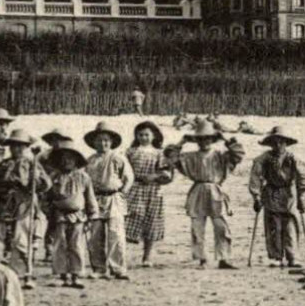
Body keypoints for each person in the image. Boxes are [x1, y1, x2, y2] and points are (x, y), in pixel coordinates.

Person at [166, 118, 247, 270]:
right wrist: (182, 142)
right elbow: (170, 157)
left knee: (220, 226)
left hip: (215, 190)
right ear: (197, 141)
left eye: (208, 138)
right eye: (201, 139)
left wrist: (226, 139)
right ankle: (201, 258)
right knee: (197, 226)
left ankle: (224, 258)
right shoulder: (190, 157)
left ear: (213, 139)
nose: (205, 141)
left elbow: (238, 154)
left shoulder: (221, 155)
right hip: (198, 190)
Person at [41, 133, 97, 289]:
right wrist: (48, 211)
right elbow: (45, 197)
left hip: (79, 216)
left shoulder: (84, 177)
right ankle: (62, 274)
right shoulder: (53, 177)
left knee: (76, 245)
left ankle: (76, 274)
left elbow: (90, 197)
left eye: (70, 158)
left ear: (76, 161)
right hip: (59, 216)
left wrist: (92, 215)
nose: (66, 161)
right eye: (63, 158)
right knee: (60, 244)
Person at [249, 126, 305, 269]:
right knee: (273, 225)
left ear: (286, 143)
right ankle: (276, 256)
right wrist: (256, 196)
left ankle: (293, 256)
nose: (278, 145)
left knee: (290, 225)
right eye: (275, 142)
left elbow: (303, 177)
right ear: (270, 143)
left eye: (281, 142)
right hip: (270, 193)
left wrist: (302, 196)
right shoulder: (263, 159)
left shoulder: (293, 158)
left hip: (288, 194)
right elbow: (255, 177)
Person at [0, 130, 50, 276]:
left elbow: (45, 184)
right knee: (0, 233)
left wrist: (35, 180)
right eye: (13, 146)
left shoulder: (32, 163)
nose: (16, 149)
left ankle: (23, 269)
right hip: (4, 202)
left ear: (25, 147)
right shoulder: (3, 164)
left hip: (24, 202)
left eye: (20, 146)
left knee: (21, 235)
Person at [82, 121, 134, 281]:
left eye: (106, 140)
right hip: (95, 199)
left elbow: (129, 177)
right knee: (95, 235)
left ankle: (118, 268)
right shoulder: (89, 160)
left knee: (115, 234)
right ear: (93, 142)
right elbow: (84, 180)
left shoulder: (118, 158)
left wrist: (123, 191)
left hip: (113, 198)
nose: (103, 143)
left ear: (111, 142)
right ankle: (99, 268)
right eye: (99, 140)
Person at [124, 121, 173, 267]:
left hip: (154, 191)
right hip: (135, 188)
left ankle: (147, 256)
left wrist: (153, 176)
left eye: (147, 135)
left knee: (152, 222)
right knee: (130, 218)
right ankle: (123, 254)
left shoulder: (160, 153)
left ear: (153, 136)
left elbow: (167, 173)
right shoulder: (131, 152)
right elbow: (124, 170)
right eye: (140, 135)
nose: (143, 137)